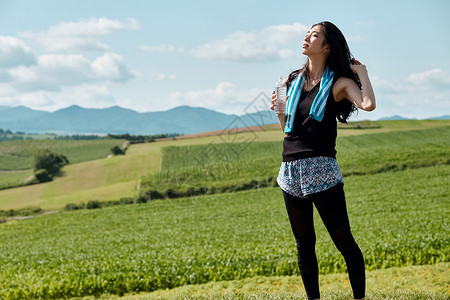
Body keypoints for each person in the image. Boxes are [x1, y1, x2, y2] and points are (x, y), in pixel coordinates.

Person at [270, 21, 376, 300]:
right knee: (304, 244)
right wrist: (278, 110)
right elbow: (286, 127)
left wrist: (362, 73)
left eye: (314, 35)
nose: (306, 37)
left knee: (344, 241)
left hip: (322, 170)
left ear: (327, 47)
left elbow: (367, 104)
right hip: (290, 172)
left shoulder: (339, 83)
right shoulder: (290, 82)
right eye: (307, 33)